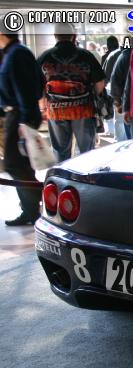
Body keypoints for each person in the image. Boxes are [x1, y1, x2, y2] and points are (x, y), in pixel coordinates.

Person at [38, 23, 105, 161]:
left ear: (55, 36)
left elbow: (37, 86)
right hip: (83, 110)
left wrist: (43, 107)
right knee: (87, 152)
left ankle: (63, 173)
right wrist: (94, 97)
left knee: (60, 152)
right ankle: (85, 173)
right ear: (73, 36)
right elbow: (100, 83)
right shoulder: (86, 55)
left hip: (55, 111)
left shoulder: (45, 56)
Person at [0, 27, 43, 226]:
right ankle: (31, 208)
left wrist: (24, 120)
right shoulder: (14, 52)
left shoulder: (17, 54)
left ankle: (33, 206)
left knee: (15, 163)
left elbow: (24, 88)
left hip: (19, 115)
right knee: (20, 164)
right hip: (15, 114)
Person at [109, 45, 131, 141]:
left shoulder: (124, 56)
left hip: (128, 103)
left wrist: (117, 101)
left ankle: (120, 141)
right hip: (132, 104)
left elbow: (114, 80)